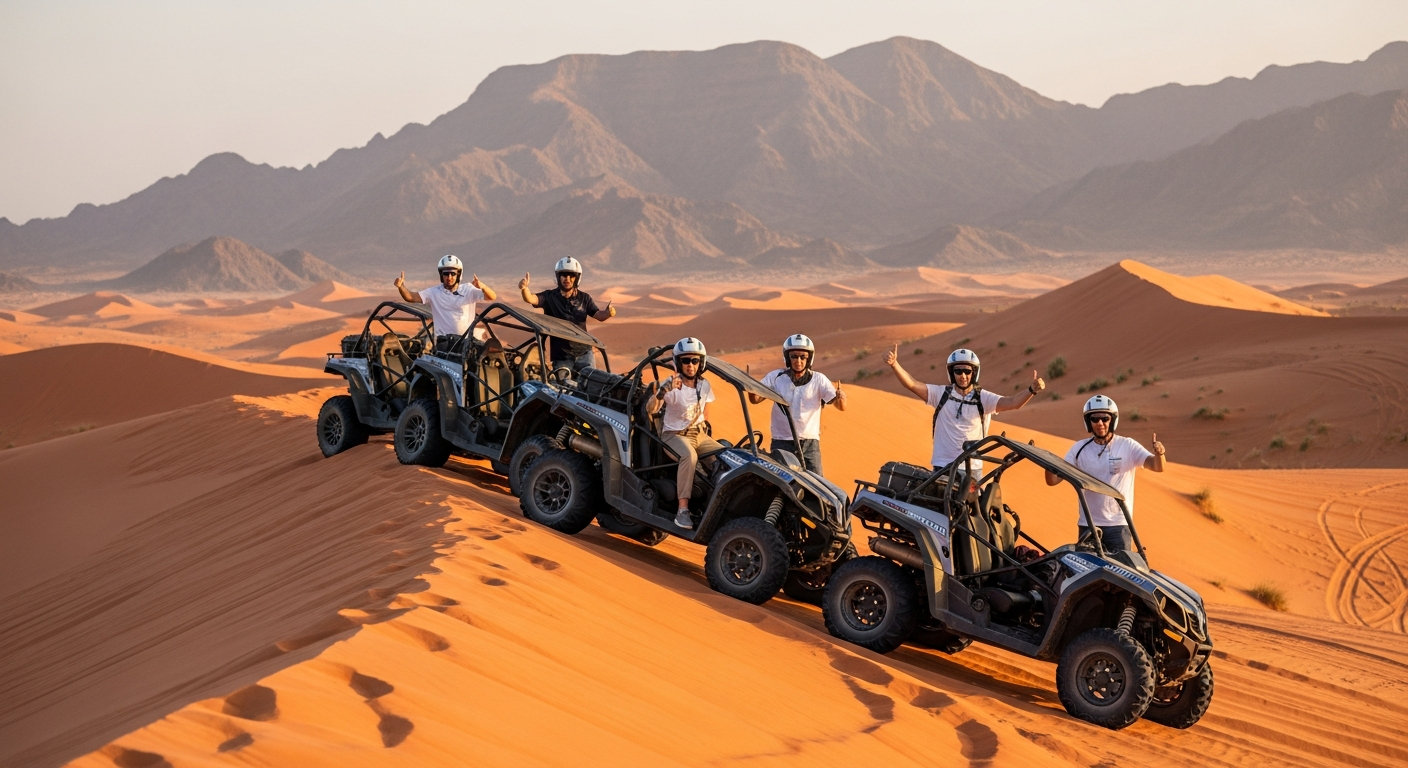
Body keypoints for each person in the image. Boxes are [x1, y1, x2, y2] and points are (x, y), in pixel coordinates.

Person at [884, 346, 1044, 473]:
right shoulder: (940, 394)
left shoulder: (984, 398)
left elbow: (1013, 402)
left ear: (974, 373)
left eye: (967, 371)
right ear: (951, 373)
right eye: (958, 371)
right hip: (942, 467)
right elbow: (912, 384)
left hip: (972, 469)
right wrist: (894, 365)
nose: (963, 376)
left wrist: (1032, 390)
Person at [1044, 395, 1166, 552]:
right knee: (1087, 573)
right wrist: (1048, 463)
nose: (1100, 423)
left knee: (1120, 573)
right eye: (1094, 419)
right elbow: (1053, 480)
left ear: (1113, 420)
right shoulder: (1078, 449)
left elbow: (1157, 466)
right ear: (1088, 422)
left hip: (1119, 525)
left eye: (1104, 418)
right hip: (1088, 525)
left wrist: (1160, 454)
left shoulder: (1127, 445)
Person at [646, 337, 722, 531]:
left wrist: (704, 429)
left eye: (695, 361)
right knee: (689, 456)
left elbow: (706, 412)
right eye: (686, 360)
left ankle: (714, 504)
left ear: (701, 363)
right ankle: (683, 510)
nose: (690, 365)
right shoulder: (671, 385)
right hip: (674, 435)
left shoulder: (704, 386)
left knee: (726, 456)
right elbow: (651, 409)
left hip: (700, 435)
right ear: (678, 363)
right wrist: (662, 392)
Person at [746, 333, 845, 474]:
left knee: (818, 486)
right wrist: (750, 387)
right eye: (794, 356)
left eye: (803, 357)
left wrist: (841, 397)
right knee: (779, 482)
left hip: (809, 443)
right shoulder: (775, 377)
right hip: (782, 442)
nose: (798, 361)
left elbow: (841, 407)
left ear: (809, 358)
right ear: (787, 358)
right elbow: (755, 400)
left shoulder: (819, 380)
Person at [517, 257, 615, 370]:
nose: (567, 279)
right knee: (563, 385)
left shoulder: (584, 298)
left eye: (571, 275)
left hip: (584, 353)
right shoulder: (549, 297)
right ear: (558, 277)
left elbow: (599, 315)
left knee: (589, 383)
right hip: (561, 356)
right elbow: (531, 299)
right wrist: (524, 289)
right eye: (563, 275)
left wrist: (608, 313)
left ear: (577, 278)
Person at [393, 255, 496, 342]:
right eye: (446, 274)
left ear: (458, 275)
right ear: (441, 275)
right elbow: (410, 297)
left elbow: (492, 297)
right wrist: (401, 286)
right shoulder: (434, 292)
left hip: (466, 342)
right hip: (444, 343)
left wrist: (482, 286)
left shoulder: (469, 289)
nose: (449, 277)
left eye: (453, 274)